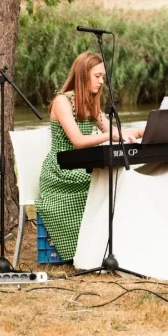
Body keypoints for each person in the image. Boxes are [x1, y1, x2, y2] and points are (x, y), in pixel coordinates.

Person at [35, 52, 143, 263]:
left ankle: (113, 244)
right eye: (97, 76)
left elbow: (112, 131)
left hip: (82, 166)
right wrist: (112, 136)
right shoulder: (62, 102)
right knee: (106, 182)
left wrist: (139, 132)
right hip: (61, 172)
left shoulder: (90, 102)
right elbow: (78, 140)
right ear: (83, 75)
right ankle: (92, 247)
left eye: (103, 77)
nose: (102, 81)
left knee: (118, 179)